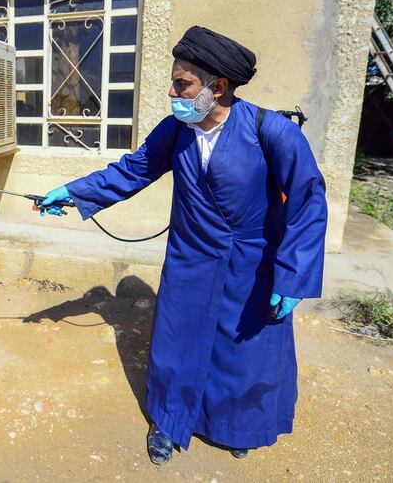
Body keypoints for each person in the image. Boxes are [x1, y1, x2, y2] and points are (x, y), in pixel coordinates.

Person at [39, 26, 328, 464]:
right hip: (190, 257)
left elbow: (307, 202)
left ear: (219, 87)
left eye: (182, 83)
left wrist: (293, 276)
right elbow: (132, 170)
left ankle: (236, 423)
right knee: (177, 343)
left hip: (252, 262)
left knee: (242, 348)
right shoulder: (176, 130)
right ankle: (167, 420)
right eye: (174, 81)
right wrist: (75, 191)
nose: (172, 91)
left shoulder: (272, 132)